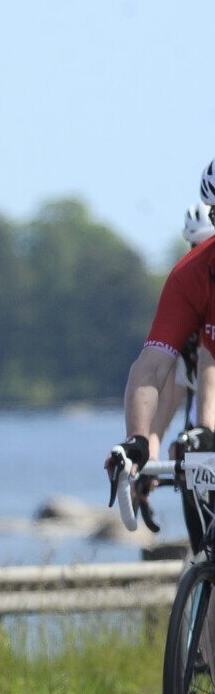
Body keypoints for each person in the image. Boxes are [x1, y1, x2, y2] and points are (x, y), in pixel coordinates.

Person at [114, 161, 215, 507]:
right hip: (206, 396)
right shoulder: (191, 275)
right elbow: (153, 369)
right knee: (194, 460)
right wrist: (140, 443)